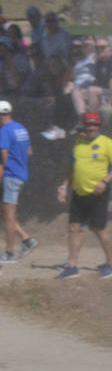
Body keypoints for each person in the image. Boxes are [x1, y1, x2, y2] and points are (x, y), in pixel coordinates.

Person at [56, 111, 112, 279]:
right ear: (84, 126)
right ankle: (72, 265)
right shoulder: (78, 144)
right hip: (79, 192)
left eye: (94, 124)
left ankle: (111, 264)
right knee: (73, 228)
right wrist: (64, 186)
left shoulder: (107, 143)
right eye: (88, 124)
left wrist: (105, 181)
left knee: (99, 229)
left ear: (99, 126)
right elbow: (72, 169)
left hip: (98, 193)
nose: (91, 127)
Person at [0, 100, 37, 263]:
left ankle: (9, 253)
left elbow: (4, 156)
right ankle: (26, 239)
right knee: (5, 212)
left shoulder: (5, 131)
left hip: (11, 175)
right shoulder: (21, 128)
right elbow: (29, 151)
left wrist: (3, 175)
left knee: (8, 215)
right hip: (21, 173)